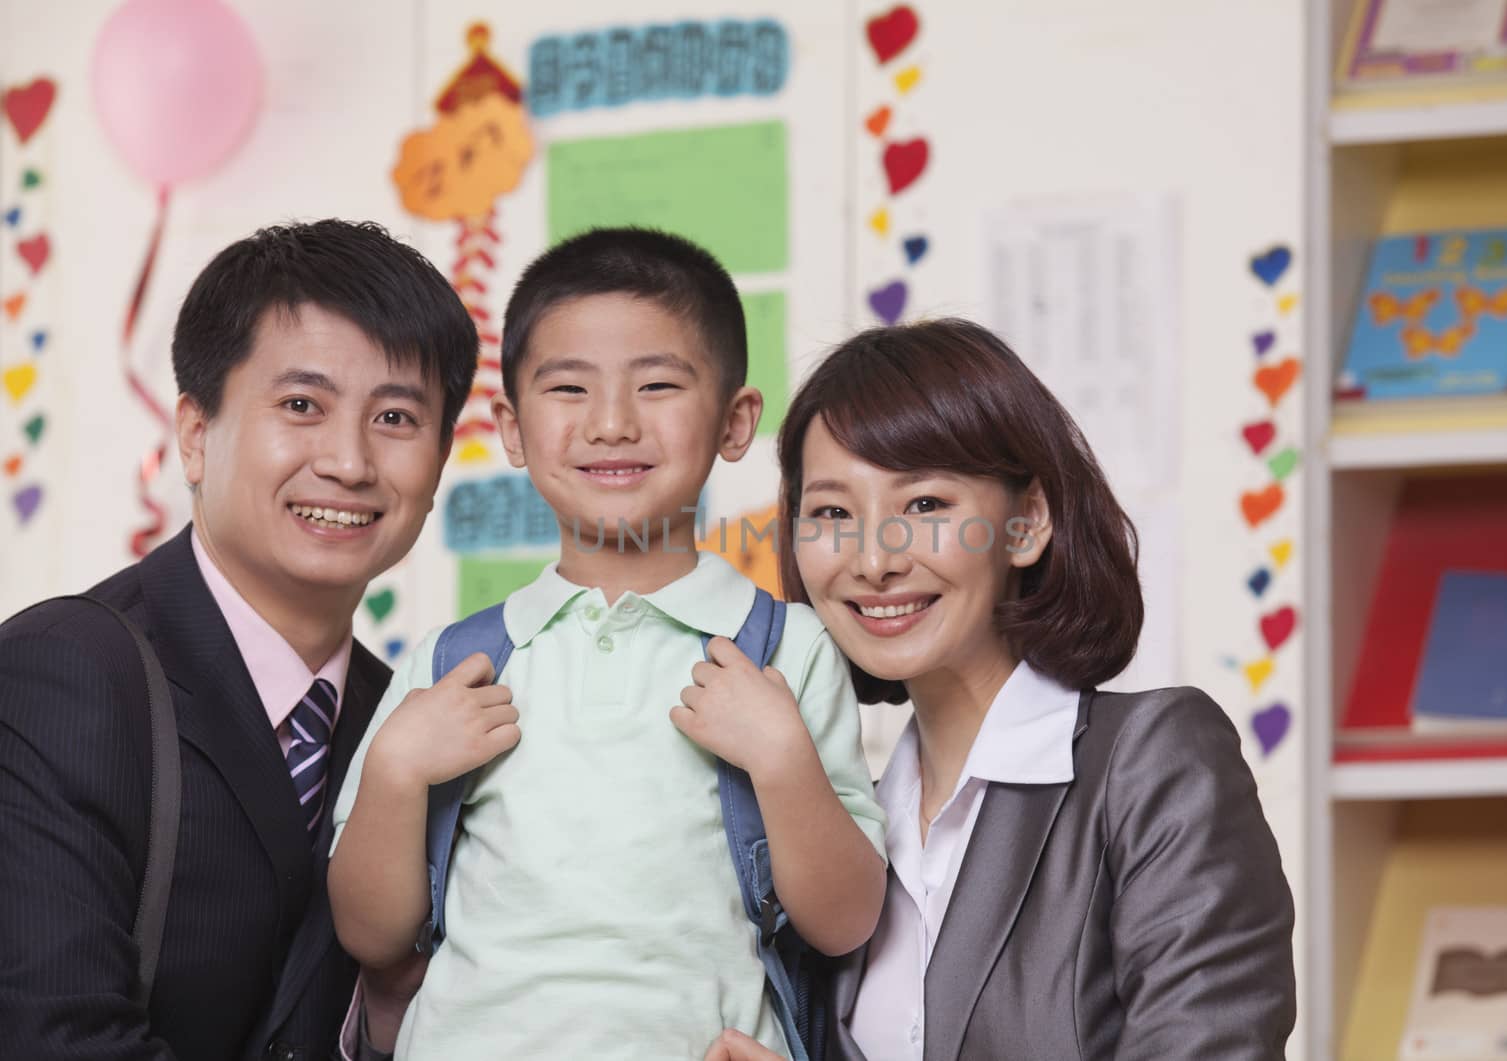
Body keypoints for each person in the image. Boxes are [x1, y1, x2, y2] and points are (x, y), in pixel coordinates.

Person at [327, 227, 888, 1059]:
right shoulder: (456, 663)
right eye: (569, 389)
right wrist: (396, 771)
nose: (613, 423)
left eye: (658, 383)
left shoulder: (785, 648)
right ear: (512, 431)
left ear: (735, 422)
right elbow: (372, 935)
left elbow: (843, 923)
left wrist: (782, 759)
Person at [705, 318, 1296, 1061]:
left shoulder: (1152, 762)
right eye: (831, 513)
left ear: (1028, 523)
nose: (874, 559)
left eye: (924, 505)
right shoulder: (839, 832)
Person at [0, 220, 480, 1059]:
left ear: (440, 461)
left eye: (397, 416)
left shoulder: (406, 716)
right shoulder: (65, 672)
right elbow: (54, 1037)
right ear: (194, 433)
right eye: (302, 405)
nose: (349, 461)